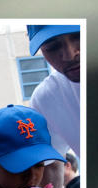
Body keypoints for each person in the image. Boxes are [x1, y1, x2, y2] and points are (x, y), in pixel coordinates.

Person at [27, 24, 80, 178]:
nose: (69, 54)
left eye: (78, 36)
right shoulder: (47, 98)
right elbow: (51, 163)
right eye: (52, 46)